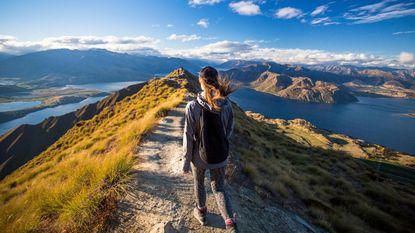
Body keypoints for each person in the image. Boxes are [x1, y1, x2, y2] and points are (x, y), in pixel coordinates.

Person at [182, 66, 238, 232]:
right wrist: (220, 144)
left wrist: (186, 161)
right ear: (217, 80)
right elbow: (229, 130)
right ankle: (230, 223)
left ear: (200, 81)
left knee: (198, 181)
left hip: (199, 157)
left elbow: (188, 135)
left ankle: (201, 211)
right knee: (219, 187)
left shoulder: (192, 106)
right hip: (220, 155)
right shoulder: (227, 105)